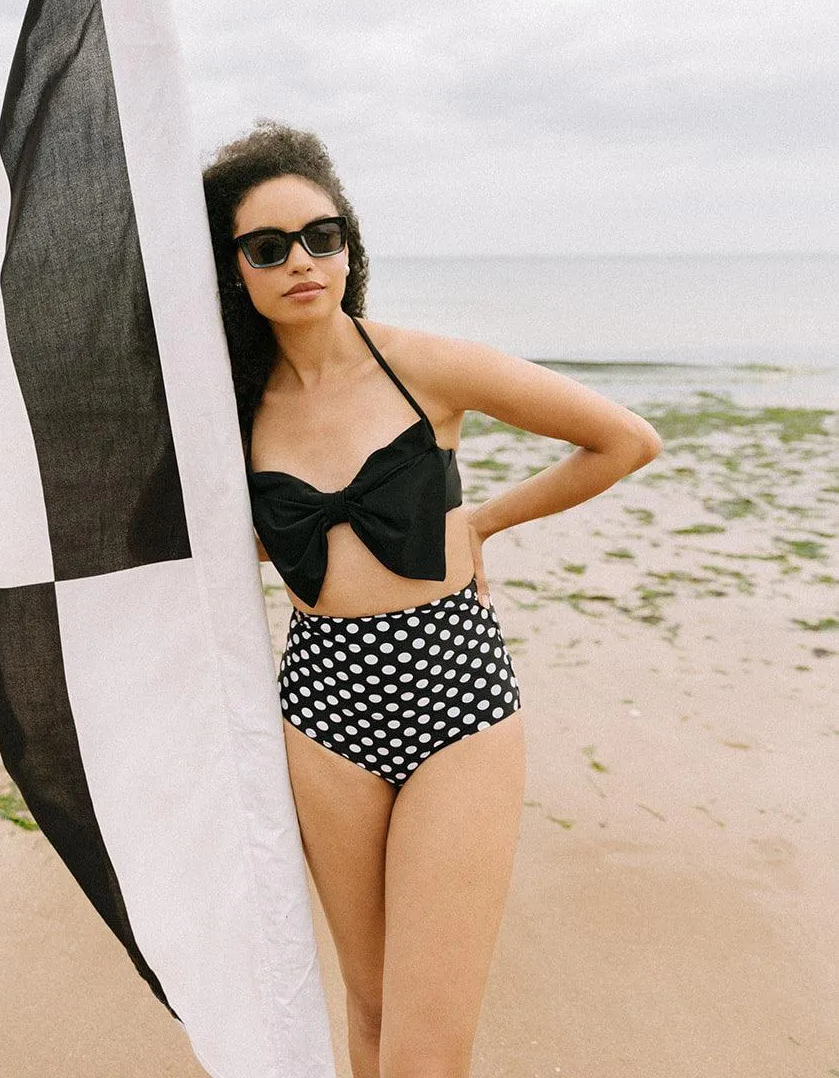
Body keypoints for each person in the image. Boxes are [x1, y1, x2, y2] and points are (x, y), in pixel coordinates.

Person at [202, 119, 663, 1078]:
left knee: (425, 1047)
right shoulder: (226, 413)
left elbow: (623, 440)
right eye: (268, 246)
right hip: (321, 705)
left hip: (455, 692)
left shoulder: (426, 366)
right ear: (233, 268)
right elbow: (208, 547)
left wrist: (485, 521)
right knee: (369, 1014)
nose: (301, 260)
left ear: (348, 243)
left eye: (321, 235)